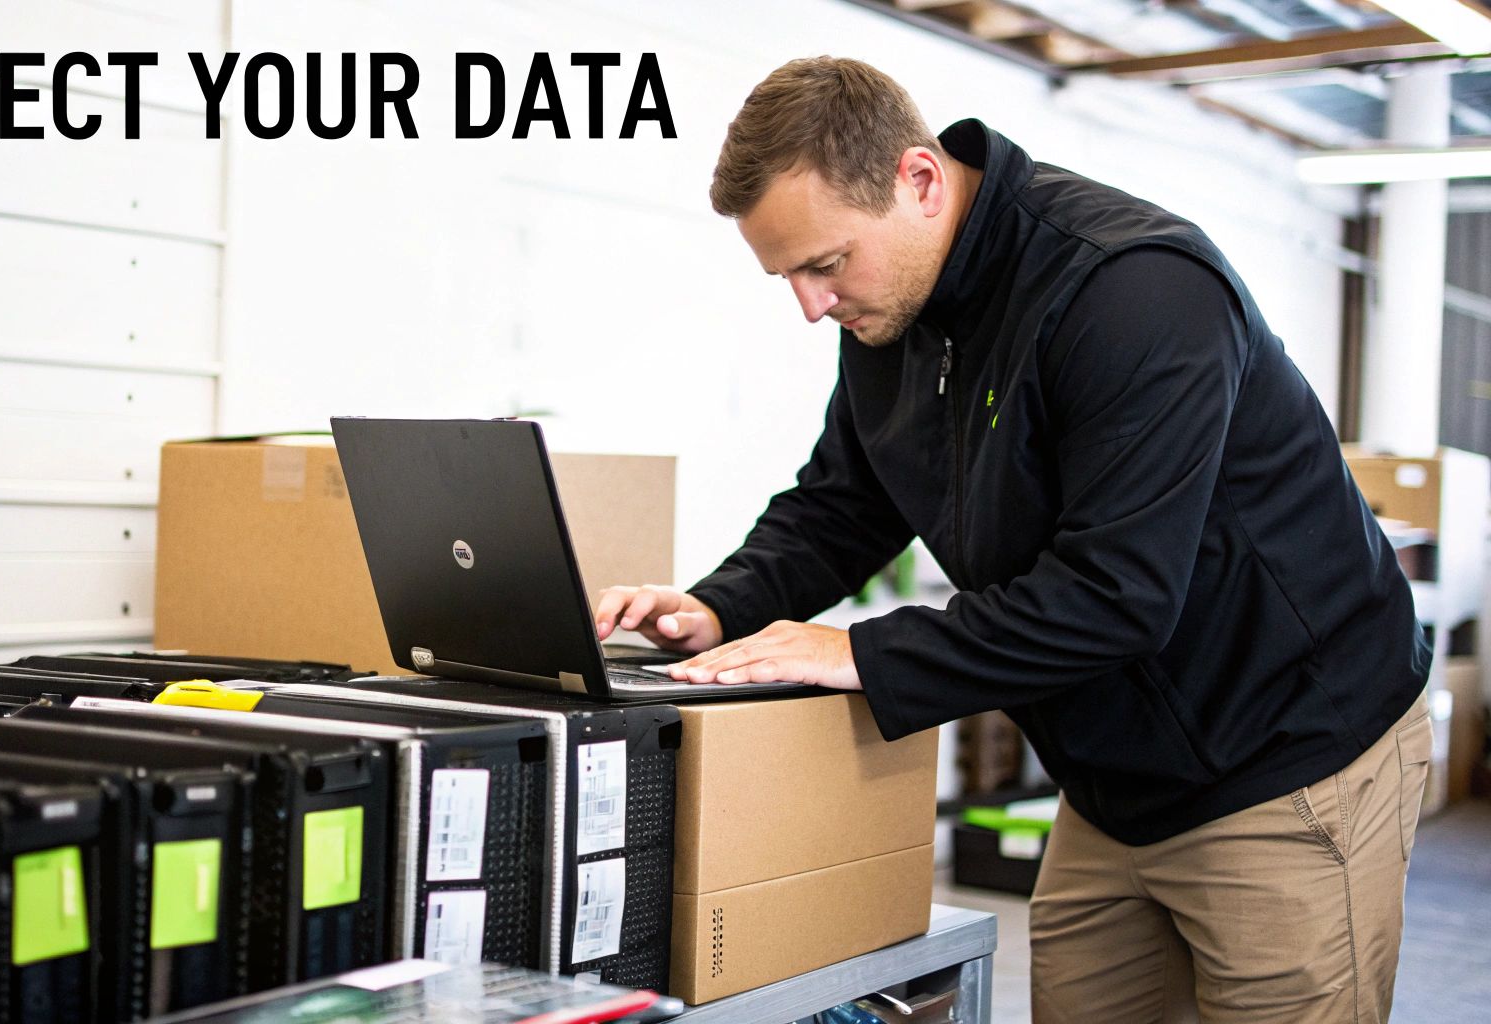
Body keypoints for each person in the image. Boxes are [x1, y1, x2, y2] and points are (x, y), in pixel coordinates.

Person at [593, 57, 1432, 1023]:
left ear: (918, 181)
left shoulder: (1134, 290)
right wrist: (717, 605)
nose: (812, 305)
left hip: (1288, 758)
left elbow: (1118, 594)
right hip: (1114, 775)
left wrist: (864, 650)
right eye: (787, 276)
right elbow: (845, 500)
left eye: (825, 265)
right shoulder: (894, 309)